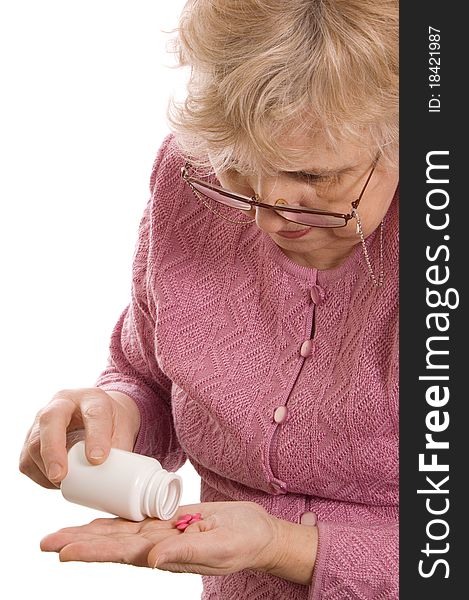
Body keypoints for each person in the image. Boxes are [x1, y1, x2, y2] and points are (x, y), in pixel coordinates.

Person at [19, 1, 399, 598]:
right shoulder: (189, 179)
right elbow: (148, 372)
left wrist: (285, 546)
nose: (270, 210)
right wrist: (118, 415)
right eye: (241, 168)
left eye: (317, 178)